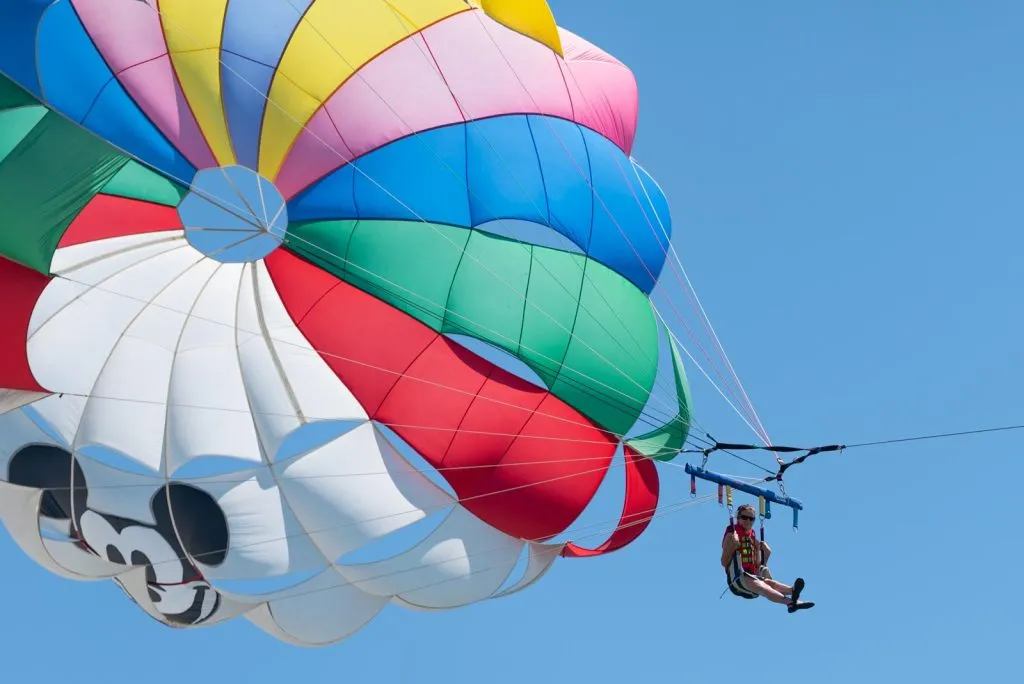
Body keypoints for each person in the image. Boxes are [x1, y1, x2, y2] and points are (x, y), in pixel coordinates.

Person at [721, 504, 814, 612]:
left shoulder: (753, 538)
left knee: (769, 583)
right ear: (738, 517)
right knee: (764, 586)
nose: (748, 521)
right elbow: (723, 561)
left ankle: (792, 591)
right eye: (744, 517)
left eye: (751, 519)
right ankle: (790, 603)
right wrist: (733, 545)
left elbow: (758, 565)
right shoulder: (731, 533)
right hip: (737, 579)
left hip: (752, 576)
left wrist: (766, 554)